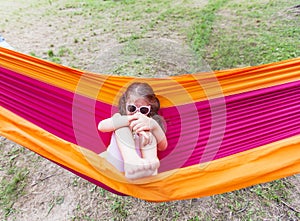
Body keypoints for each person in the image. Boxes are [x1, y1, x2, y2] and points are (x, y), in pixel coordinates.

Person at [98, 82, 168, 179]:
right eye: (132, 108)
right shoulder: (121, 119)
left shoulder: (149, 124)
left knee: (149, 133)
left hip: (140, 170)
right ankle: (132, 162)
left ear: (150, 109)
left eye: (143, 110)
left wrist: (154, 125)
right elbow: (101, 126)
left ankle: (151, 167)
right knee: (121, 126)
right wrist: (128, 120)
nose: (137, 113)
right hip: (114, 166)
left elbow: (163, 146)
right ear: (125, 105)